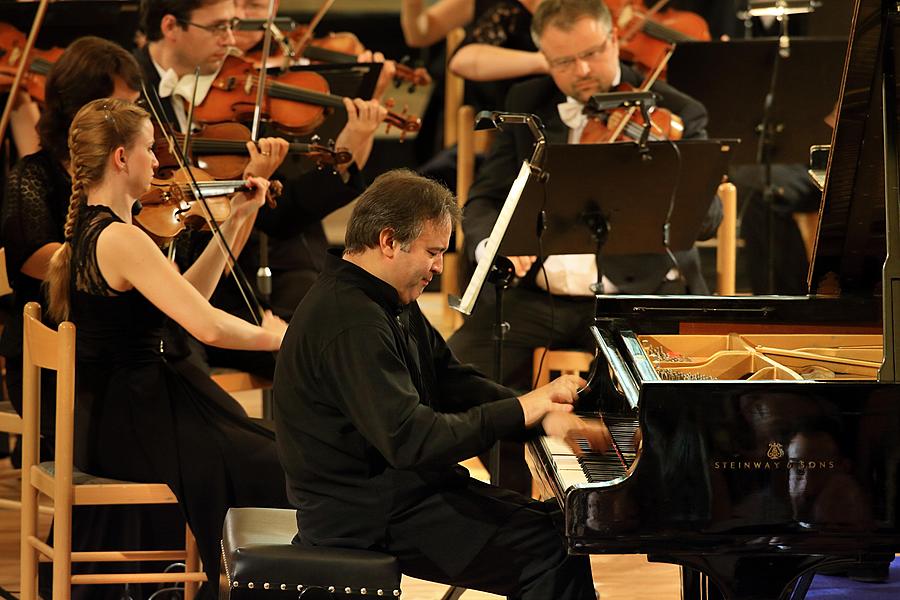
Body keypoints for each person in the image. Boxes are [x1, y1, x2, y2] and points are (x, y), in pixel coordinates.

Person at [274, 168, 610, 599]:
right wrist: (524, 409)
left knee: (559, 529)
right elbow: (411, 439)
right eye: (433, 252)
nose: (438, 266)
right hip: (364, 515)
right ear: (389, 241)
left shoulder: (385, 297)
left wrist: (542, 417)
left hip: (399, 494)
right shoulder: (350, 320)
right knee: (551, 549)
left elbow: (450, 378)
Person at [446, 0, 720, 493]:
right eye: (564, 62)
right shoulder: (527, 102)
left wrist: (664, 171)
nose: (584, 72)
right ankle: (512, 504)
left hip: (637, 297)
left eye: (592, 53)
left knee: (674, 402)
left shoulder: (676, 110)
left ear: (615, 39)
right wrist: (494, 242)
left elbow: (707, 220)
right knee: (455, 373)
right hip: (539, 295)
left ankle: (646, 500)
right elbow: (484, 199)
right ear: (543, 58)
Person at [45, 97, 289, 598]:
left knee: (268, 449)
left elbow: (189, 299)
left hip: (117, 414)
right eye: (149, 150)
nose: (158, 162)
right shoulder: (121, 239)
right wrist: (282, 337)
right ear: (120, 158)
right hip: (136, 418)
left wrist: (236, 218)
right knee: (280, 464)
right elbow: (209, 328)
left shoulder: (97, 233)